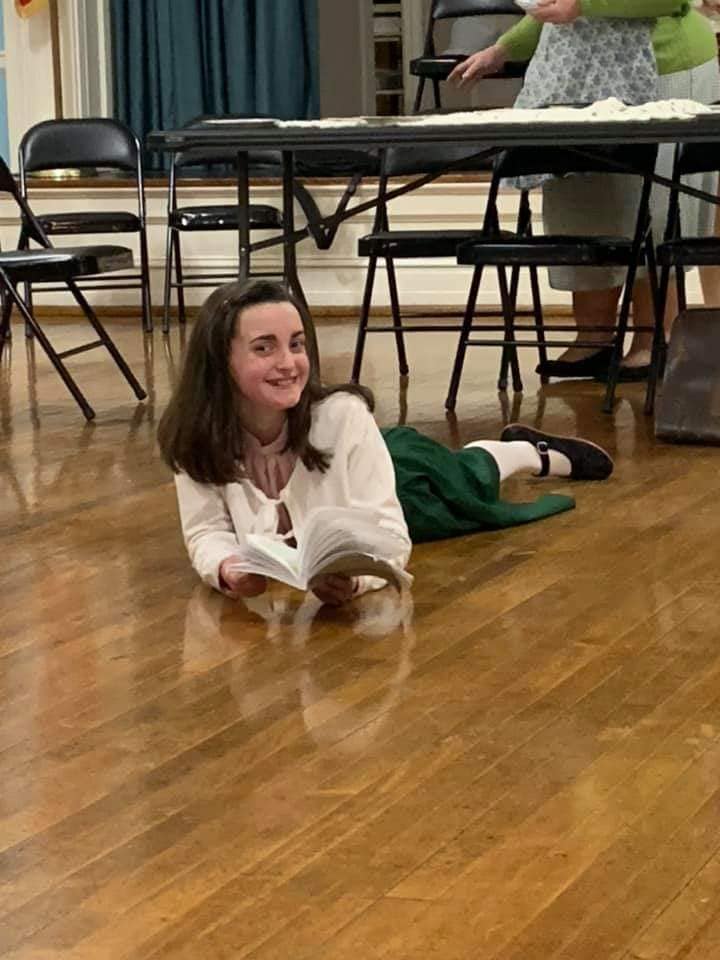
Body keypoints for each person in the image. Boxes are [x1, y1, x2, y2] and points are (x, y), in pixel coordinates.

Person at [157, 279, 614, 607]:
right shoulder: (194, 433)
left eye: (296, 344)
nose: (288, 362)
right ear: (220, 360)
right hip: (369, 462)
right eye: (264, 347)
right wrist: (226, 569)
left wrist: (357, 581)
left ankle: (530, 453)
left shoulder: (342, 416)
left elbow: (392, 535)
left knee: (464, 483)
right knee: (459, 480)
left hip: (400, 476)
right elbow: (205, 532)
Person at [449, 0, 720, 381]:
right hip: (577, 76)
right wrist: (504, 49)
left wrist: (583, 6)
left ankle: (654, 339)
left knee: (651, 212)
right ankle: (594, 338)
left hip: (662, 69)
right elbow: (551, 7)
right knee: (584, 206)